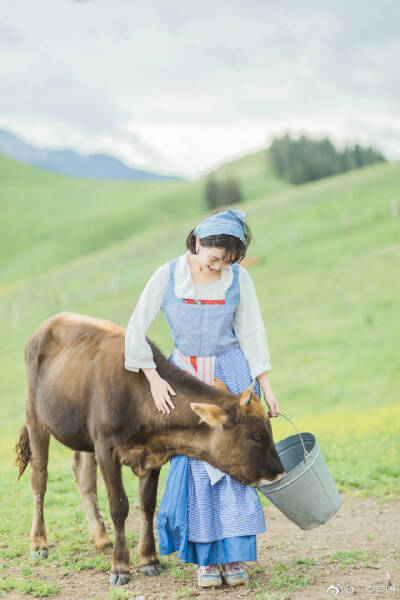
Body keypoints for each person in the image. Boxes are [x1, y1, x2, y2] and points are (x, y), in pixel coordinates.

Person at [124, 208, 280, 588]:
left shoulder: (239, 279)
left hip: (233, 376)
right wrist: (153, 377)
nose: (218, 267)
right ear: (196, 243)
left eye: (226, 262)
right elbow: (135, 327)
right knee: (196, 467)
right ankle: (205, 561)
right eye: (214, 259)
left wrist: (266, 387)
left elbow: (252, 332)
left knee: (238, 462)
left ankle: (234, 557)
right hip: (186, 381)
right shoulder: (168, 275)